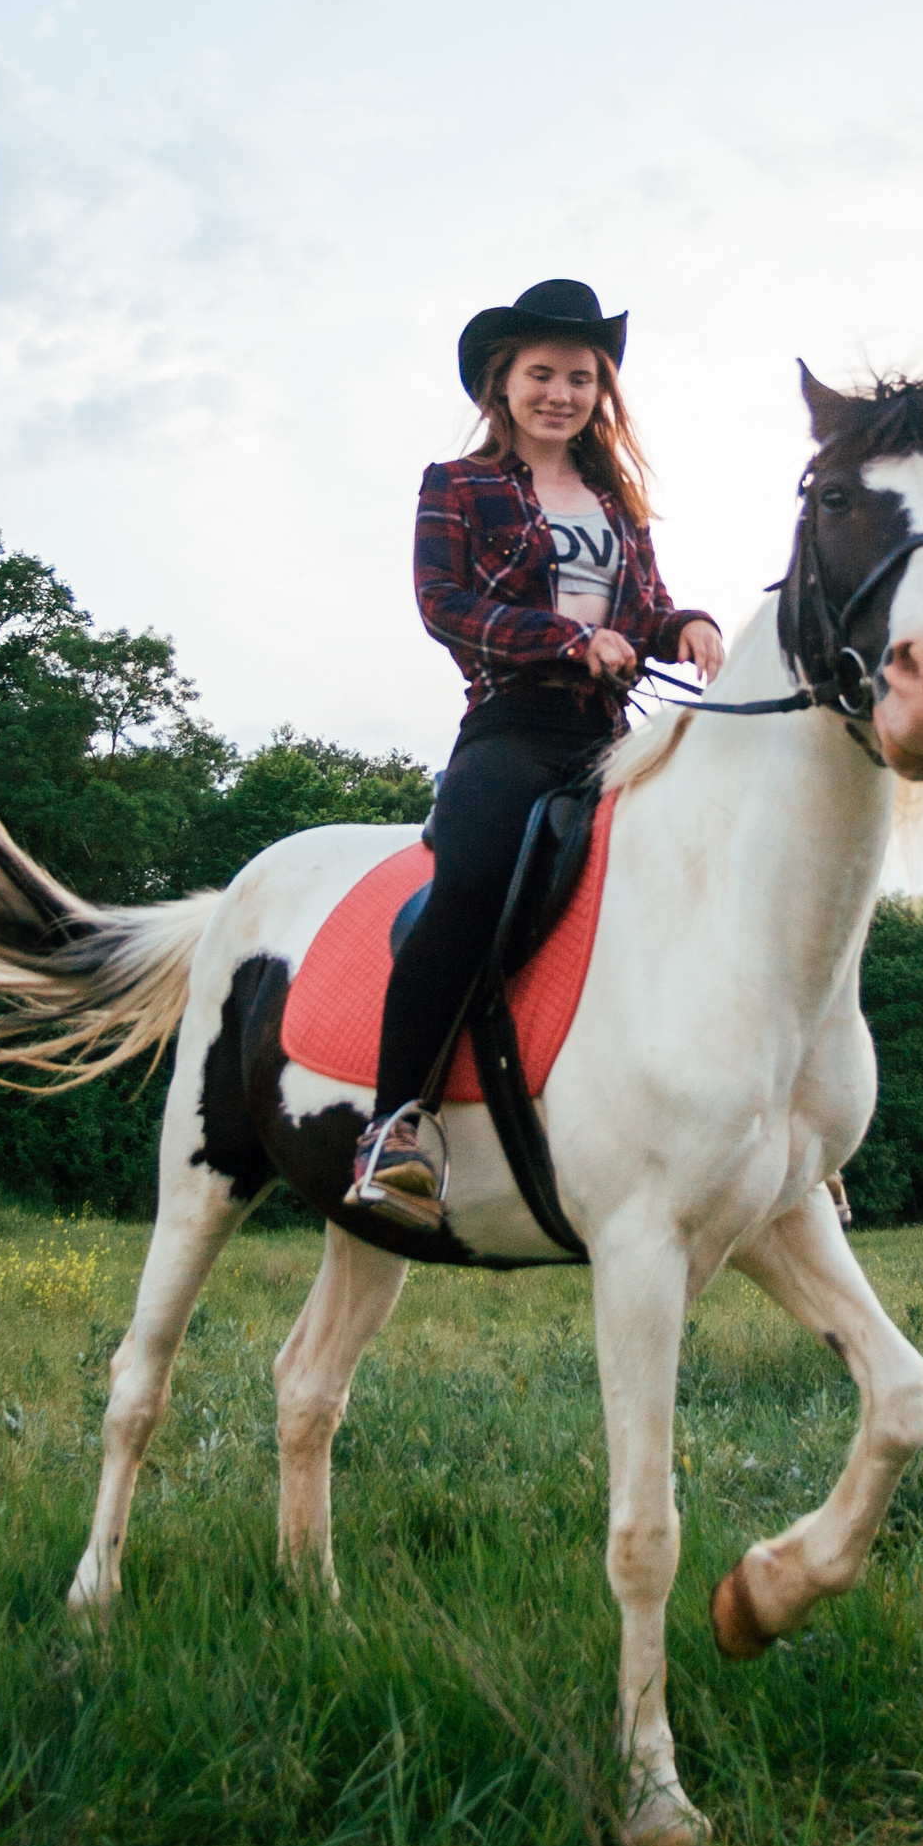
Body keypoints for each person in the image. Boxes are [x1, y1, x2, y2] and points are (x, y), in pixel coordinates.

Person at [346, 279, 724, 1228]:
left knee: (708, 876)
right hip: (512, 728)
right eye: (542, 374)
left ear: (602, 394)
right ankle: (396, 1125)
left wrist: (688, 626)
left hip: (608, 740)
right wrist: (565, 641)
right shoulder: (458, 483)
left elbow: (642, 609)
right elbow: (445, 606)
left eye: (580, 378)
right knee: (471, 885)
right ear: (501, 385)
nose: (561, 392)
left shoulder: (617, 503)